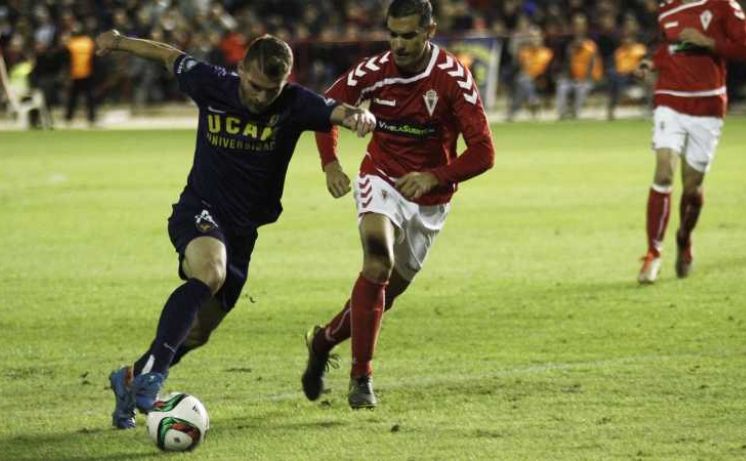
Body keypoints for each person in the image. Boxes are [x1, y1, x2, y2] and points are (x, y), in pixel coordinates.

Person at [95, 29, 376, 429]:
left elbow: (338, 112)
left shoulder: (295, 102)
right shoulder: (212, 83)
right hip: (199, 210)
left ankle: (128, 379)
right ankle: (152, 374)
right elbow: (168, 54)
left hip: (243, 232)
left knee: (198, 332)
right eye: (255, 86)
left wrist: (360, 116)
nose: (261, 97)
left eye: (271, 90)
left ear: (286, 81)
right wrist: (119, 41)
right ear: (241, 69)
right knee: (210, 271)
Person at [301, 0, 495, 409]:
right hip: (381, 177)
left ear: (430, 32)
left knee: (385, 294)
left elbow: (484, 152)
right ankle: (362, 377)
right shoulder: (373, 71)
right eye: (392, 34)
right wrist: (331, 163)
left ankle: (323, 342)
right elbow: (325, 109)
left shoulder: (453, 78)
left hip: (430, 198)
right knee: (378, 263)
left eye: (408, 35)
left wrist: (434, 176)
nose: (399, 44)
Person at [635, 0, 746, 284]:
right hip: (670, 100)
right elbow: (669, 47)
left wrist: (708, 41)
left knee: (692, 187)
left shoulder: (724, 5)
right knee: (664, 172)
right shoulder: (667, 8)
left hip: (707, 105)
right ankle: (653, 253)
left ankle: (684, 237)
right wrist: (652, 63)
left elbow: (745, 51)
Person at [555, 13, 602, 120]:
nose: (578, 27)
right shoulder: (568, 45)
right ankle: (562, 115)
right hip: (572, 79)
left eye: (581, 24)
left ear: (585, 27)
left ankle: (575, 114)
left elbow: (593, 67)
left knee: (581, 87)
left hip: (587, 80)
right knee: (562, 85)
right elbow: (566, 67)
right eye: (576, 24)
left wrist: (585, 79)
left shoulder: (591, 46)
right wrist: (566, 76)